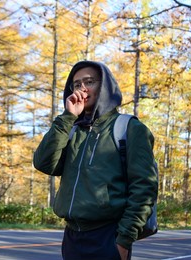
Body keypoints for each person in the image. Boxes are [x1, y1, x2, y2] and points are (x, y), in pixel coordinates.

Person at [33, 60, 158, 260]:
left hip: (108, 236)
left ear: (104, 86)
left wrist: (124, 240)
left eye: (89, 82)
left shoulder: (129, 128)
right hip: (72, 237)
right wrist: (67, 117)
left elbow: (145, 188)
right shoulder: (72, 128)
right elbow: (43, 163)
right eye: (76, 84)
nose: (82, 88)